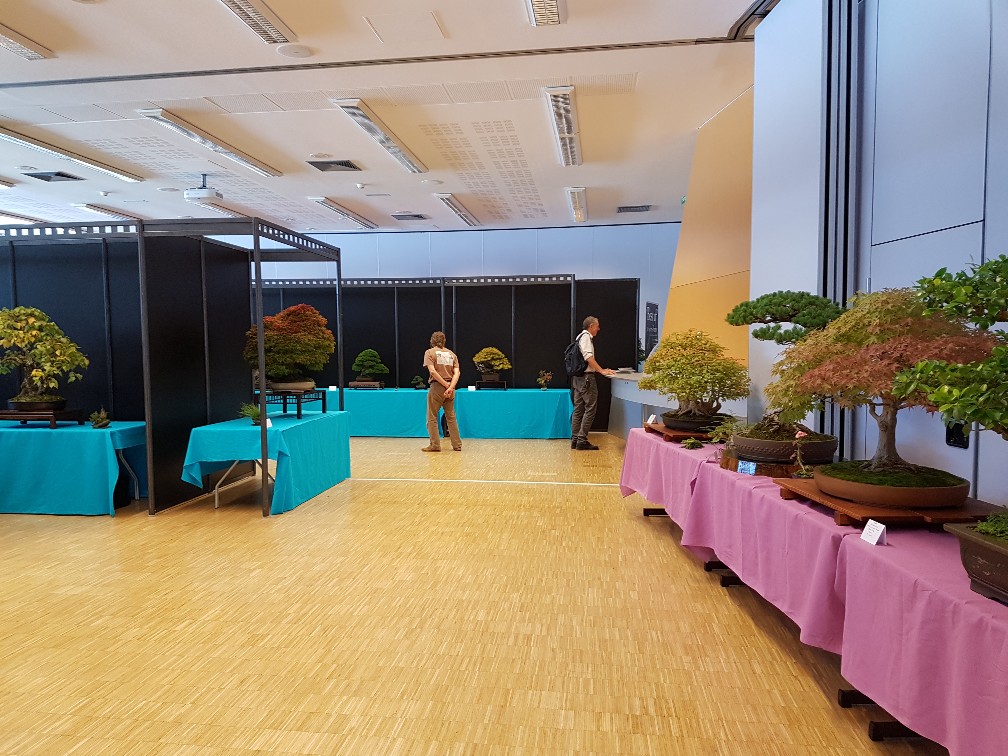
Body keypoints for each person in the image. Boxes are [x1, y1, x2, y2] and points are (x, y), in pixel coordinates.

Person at [571, 315, 616, 450]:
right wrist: (601, 371)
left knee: (578, 410)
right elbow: (588, 358)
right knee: (590, 409)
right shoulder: (586, 338)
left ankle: (575, 439)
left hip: (578, 378)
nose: (598, 329)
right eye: (597, 326)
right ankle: (581, 440)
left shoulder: (579, 337)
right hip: (587, 379)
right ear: (591, 326)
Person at [422, 331, 462, 452]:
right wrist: (450, 387)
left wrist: (444, 385)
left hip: (437, 387)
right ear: (444, 341)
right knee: (451, 417)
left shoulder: (429, 353)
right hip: (451, 388)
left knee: (432, 417)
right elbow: (457, 373)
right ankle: (457, 445)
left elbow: (432, 371)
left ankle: (435, 445)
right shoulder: (452, 354)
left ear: (432, 341)